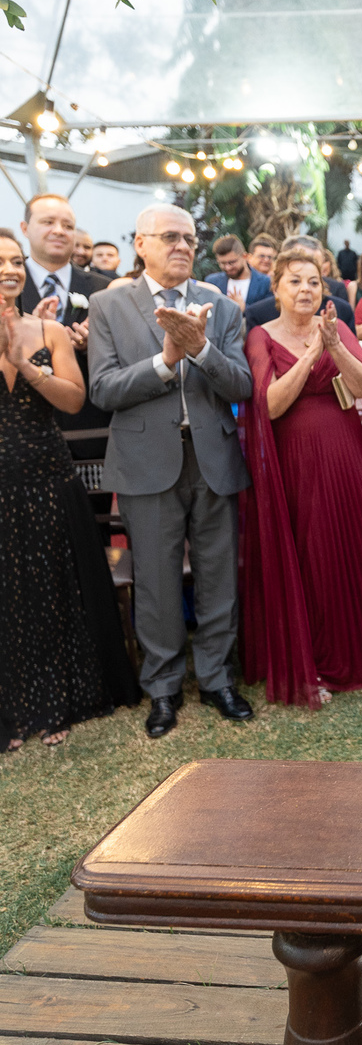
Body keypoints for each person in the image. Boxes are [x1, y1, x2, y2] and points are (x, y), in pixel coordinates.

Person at [87, 205, 255, 739]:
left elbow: (241, 385)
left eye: (189, 237)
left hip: (212, 458)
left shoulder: (219, 306)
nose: (182, 245)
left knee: (218, 575)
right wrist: (165, 362)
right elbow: (103, 389)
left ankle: (217, 679)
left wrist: (201, 349)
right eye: (169, 237)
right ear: (141, 244)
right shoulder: (109, 304)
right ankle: (162, 687)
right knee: (156, 582)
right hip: (145, 461)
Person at [241, 248, 362, 707]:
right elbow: (270, 406)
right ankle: (316, 659)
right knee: (311, 549)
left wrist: (337, 346)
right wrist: (311, 354)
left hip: (346, 453)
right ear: (276, 289)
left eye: (313, 282)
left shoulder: (337, 327)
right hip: (296, 460)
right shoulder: (261, 336)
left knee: (352, 542)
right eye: (295, 281)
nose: (305, 290)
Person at [0, 229, 139, 747]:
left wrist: (24, 366)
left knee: (54, 588)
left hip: (48, 477)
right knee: (9, 594)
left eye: (16, 261)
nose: (10, 270)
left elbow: (75, 401)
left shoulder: (49, 331)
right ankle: (14, 707)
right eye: (0, 262)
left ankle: (59, 698)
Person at [20, 192, 112, 465]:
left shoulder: (103, 288)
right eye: (48, 222)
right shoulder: (9, 286)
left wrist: (93, 345)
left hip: (92, 431)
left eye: (68, 225)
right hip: (23, 434)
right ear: (25, 228)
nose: (59, 231)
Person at [244, 236, 356, 331]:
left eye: (316, 264)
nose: (305, 288)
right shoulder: (258, 315)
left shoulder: (341, 312)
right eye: (295, 281)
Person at [205, 235, 273, 312]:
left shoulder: (266, 283)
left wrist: (244, 308)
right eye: (222, 263)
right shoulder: (212, 282)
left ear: (244, 256)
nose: (228, 267)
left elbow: (268, 313)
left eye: (232, 262)